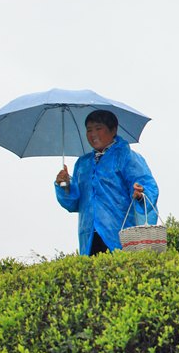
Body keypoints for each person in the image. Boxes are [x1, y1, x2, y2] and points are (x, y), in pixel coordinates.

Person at [54, 109, 159, 256]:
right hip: (89, 235)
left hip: (118, 233)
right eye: (89, 130)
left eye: (98, 128)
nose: (93, 134)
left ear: (113, 130)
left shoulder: (126, 156)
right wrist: (64, 185)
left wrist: (140, 193)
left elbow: (147, 186)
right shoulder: (82, 164)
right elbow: (74, 203)